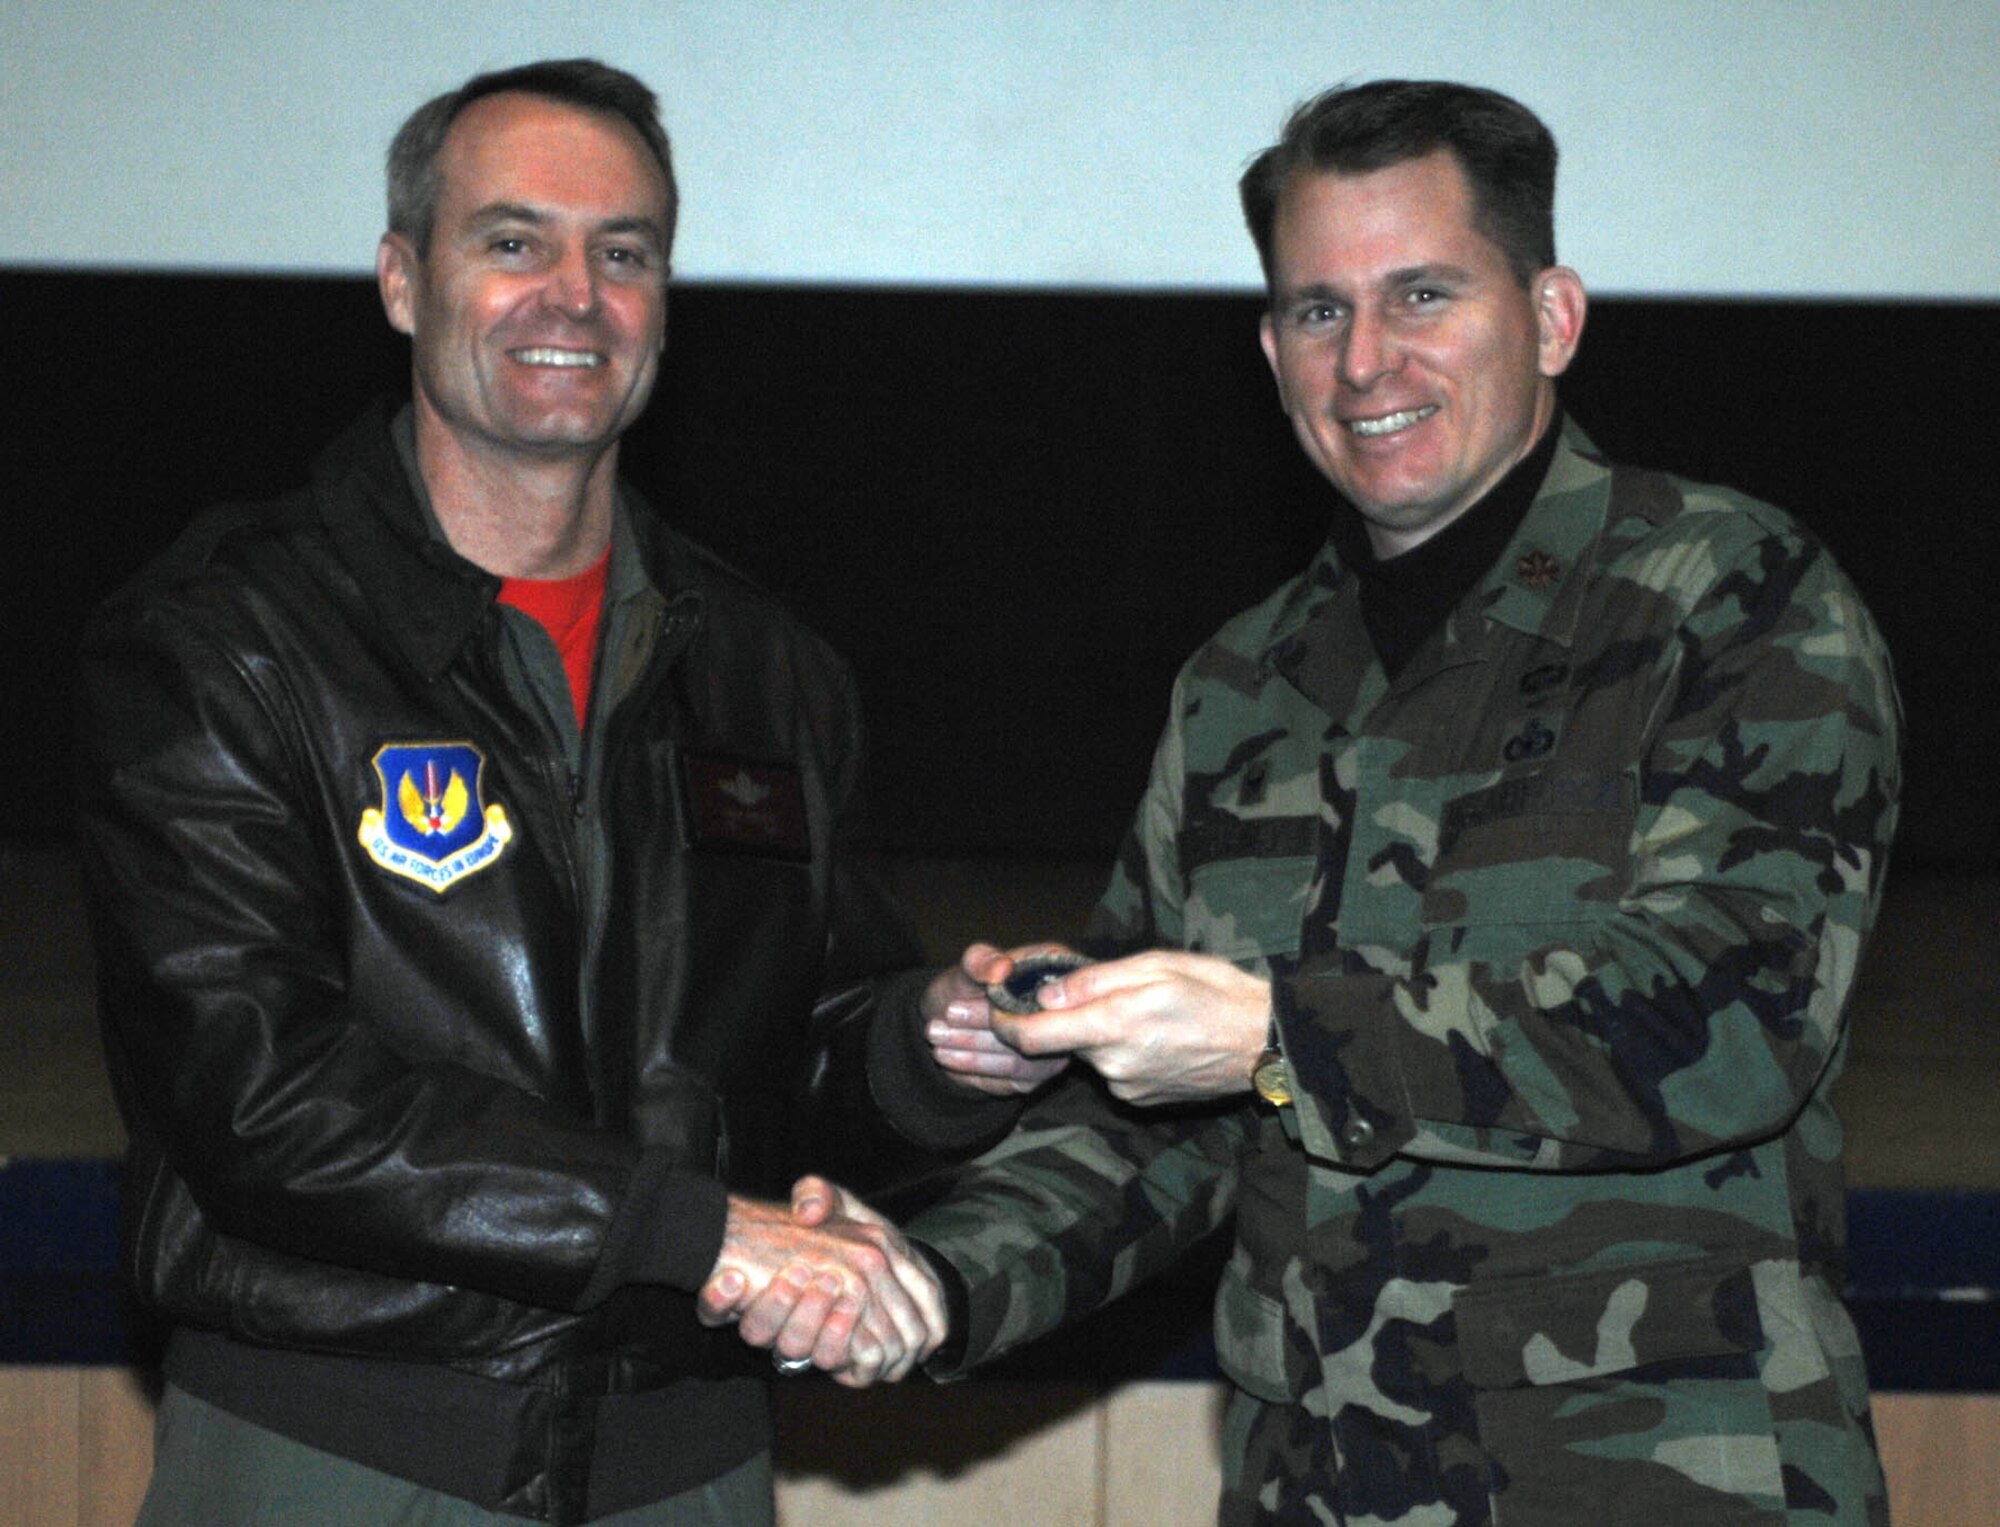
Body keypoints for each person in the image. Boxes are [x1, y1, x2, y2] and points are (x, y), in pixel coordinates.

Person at [711, 79, 1901, 1523]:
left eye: (1423, 296)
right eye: (1319, 312)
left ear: (1552, 317)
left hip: (1656, 1484)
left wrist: (1282, 1034)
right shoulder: (1240, 687)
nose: (1367, 360)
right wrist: (935, 1280)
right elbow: (1161, 1132)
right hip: (1314, 1489)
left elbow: (1739, 1012)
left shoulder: (1735, 596)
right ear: (1271, 353)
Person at [75, 58, 1012, 1525]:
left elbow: (809, 1056)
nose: (573, 294)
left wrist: (934, 1053)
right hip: (343, 1462)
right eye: (512, 241)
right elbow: (258, 1093)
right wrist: (689, 1234)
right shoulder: (227, 638)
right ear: (402, 281)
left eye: (622, 252)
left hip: (684, 1469)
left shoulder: (768, 668)